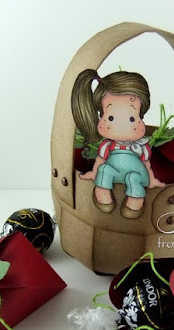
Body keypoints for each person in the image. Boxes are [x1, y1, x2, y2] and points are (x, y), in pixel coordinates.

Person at [71, 70, 165, 219]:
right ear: (101, 116)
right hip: (114, 172)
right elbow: (101, 160)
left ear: (141, 116)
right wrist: (94, 173)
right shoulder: (107, 145)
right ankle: (103, 197)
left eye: (132, 119)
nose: (121, 126)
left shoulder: (141, 146)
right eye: (111, 118)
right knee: (104, 169)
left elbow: (146, 163)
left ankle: (135, 204)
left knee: (133, 178)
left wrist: (151, 180)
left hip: (137, 174)